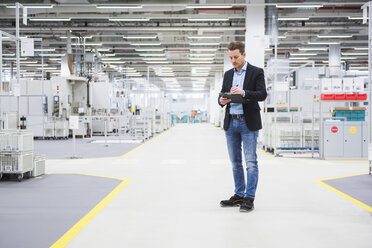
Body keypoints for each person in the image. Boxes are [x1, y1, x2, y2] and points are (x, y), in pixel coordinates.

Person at [218, 41, 267, 212]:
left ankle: (249, 198)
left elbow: (262, 94)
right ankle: (239, 194)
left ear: (244, 55)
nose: (233, 61)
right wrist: (221, 100)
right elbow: (221, 95)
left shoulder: (256, 72)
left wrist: (244, 93)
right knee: (235, 162)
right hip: (231, 122)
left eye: (236, 57)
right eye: (231, 58)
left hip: (248, 123)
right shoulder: (228, 74)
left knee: (251, 162)